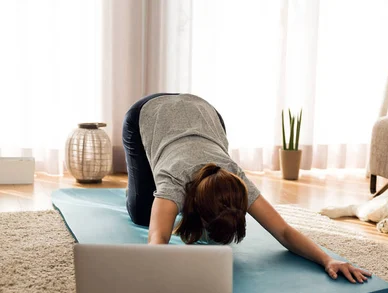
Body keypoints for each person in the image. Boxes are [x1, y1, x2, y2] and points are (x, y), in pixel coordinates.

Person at [122, 93, 370, 283]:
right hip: (148, 112)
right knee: (142, 215)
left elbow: (283, 231)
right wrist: (154, 275)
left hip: (204, 111)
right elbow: (158, 237)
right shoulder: (173, 180)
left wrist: (328, 260)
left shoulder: (236, 180)